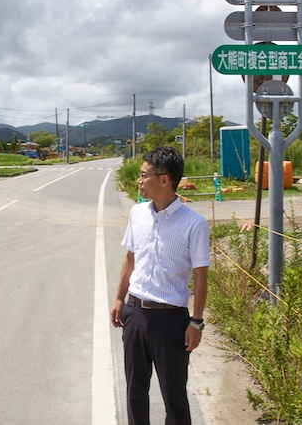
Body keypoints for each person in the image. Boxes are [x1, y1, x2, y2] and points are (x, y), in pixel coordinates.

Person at [110, 146, 210, 425]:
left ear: (164, 179)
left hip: (170, 320)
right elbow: (130, 258)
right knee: (134, 390)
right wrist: (119, 299)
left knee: (174, 395)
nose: (138, 181)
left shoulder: (194, 224)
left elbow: (201, 276)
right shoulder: (137, 213)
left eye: (144, 175)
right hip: (135, 313)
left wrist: (196, 322)